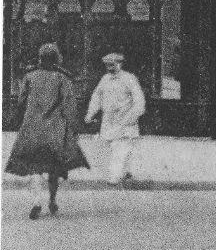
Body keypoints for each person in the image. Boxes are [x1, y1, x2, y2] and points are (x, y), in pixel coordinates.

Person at [5, 43, 89, 219]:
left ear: (40, 58)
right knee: (54, 168)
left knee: (34, 167)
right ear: (57, 59)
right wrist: (74, 128)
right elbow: (69, 107)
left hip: (32, 128)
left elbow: (21, 103)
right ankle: (52, 200)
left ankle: (36, 201)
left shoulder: (29, 77)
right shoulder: (63, 79)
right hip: (55, 130)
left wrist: (19, 122)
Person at [85, 51, 146, 186]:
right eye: (107, 65)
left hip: (125, 120)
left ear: (120, 64)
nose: (109, 68)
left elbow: (139, 99)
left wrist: (134, 116)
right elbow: (97, 97)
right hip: (109, 121)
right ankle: (126, 170)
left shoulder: (129, 78)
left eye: (112, 65)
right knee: (115, 147)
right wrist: (90, 114)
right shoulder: (105, 79)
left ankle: (114, 176)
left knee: (120, 147)